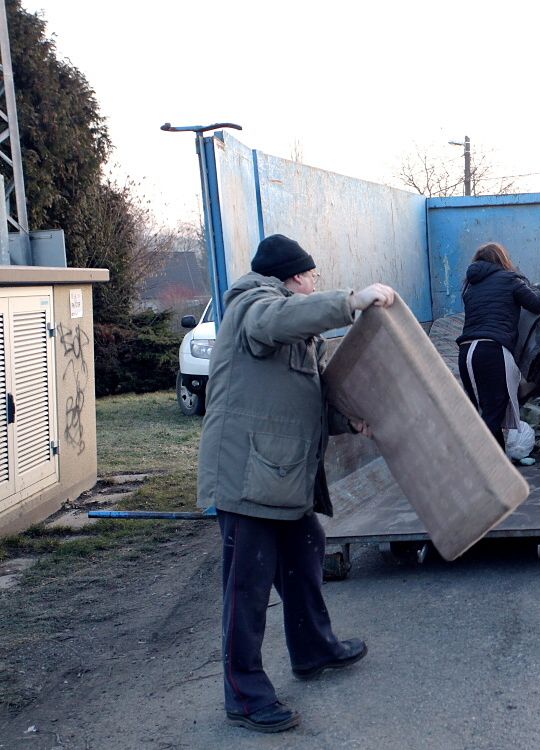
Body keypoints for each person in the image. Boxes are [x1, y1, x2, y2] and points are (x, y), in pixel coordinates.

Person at [196, 234, 395, 732]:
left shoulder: (296, 333)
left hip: (280, 475)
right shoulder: (253, 306)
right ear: (295, 277)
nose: (314, 283)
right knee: (247, 589)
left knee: (306, 557)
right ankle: (244, 695)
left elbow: (302, 398)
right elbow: (277, 319)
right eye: (312, 276)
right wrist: (350, 301)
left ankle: (312, 650)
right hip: (247, 478)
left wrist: (348, 422)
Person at [455, 242, 540, 449]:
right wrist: (535, 289)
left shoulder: (470, 287)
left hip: (466, 351)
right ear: (501, 259)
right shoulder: (510, 279)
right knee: (493, 413)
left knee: (483, 413)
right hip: (492, 351)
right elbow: (536, 304)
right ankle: (482, 460)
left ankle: (495, 461)